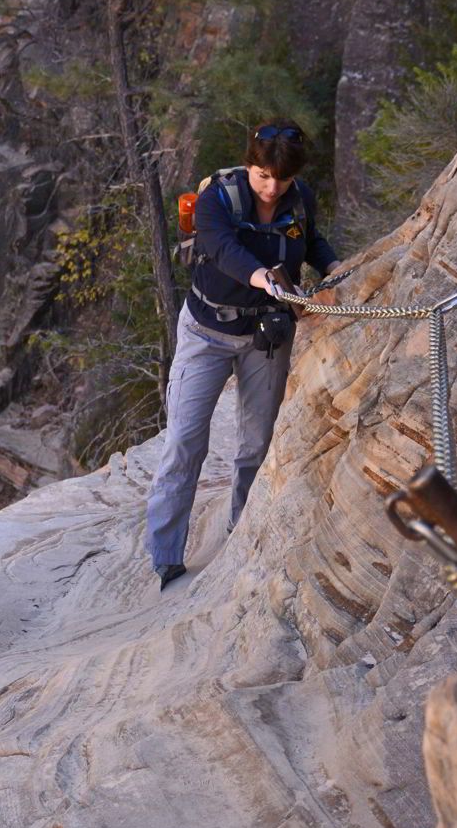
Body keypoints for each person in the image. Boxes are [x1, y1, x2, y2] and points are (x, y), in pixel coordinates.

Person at [144, 118, 340, 590]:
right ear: (250, 165)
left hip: (266, 335)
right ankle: (166, 556)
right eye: (263, 177)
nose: (272, 189)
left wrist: (333, 265)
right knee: (186, 441)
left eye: (282, 180)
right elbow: (220, 246)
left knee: (257, 442)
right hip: (206, 332)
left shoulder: (299, 197)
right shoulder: (219, 197)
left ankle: (242, 532)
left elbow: (310, 239)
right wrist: (262, 278)